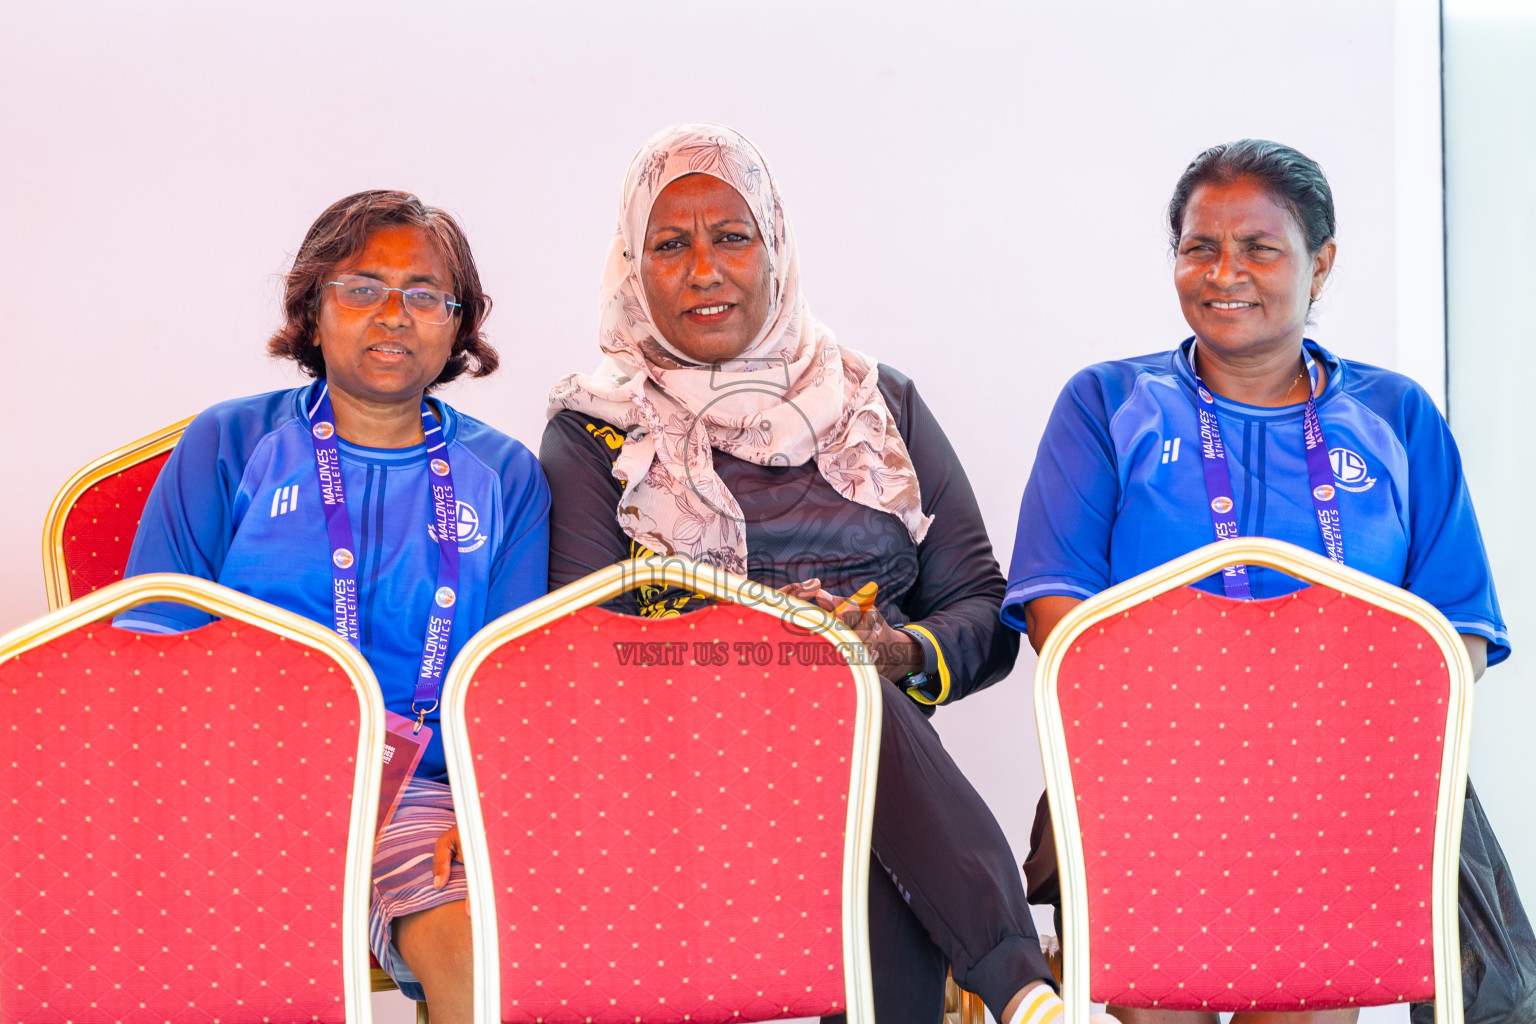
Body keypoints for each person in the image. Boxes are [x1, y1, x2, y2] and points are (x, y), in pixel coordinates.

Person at [540, 122, 1114, 1024]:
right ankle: (1021, 986)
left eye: (732, 236)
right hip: (690, 775)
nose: (703, 268)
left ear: (776, 247)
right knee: (823, 675)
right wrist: (757, 643)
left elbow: (980, 606)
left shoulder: (877, 403)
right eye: (669, 243)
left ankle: (1021, 991)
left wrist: (895, 649)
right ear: (632, 266)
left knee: (848, 693)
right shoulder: (595, 429)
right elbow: (582, 646)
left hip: (878, 766)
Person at [1004, 139, 1509, 1024]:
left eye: (1260, 248)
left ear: (1321, 265)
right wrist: (1202, 734)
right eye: (1200, 247)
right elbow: (1059, 610)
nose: (1224, 272)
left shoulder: (1397, 417)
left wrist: (1350, 749)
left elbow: (1456, 628)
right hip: (1149, 790)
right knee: (1157, 1005)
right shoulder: (1104, 403)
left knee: (1307, 1006)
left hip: (1339, 800)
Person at [118, 190, 551, 1024]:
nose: (394, 314)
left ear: (457, 328)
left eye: (425, 294)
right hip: (236, 784)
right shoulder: (230, 442)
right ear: (313, 311)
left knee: (480, 955)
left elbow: (512, 680)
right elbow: (149, 637)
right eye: (362, 287)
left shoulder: (507, 475)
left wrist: (488, 807)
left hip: (421, 796)